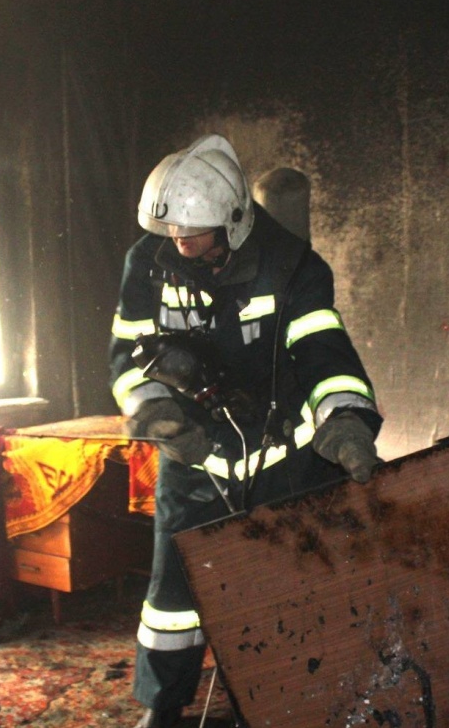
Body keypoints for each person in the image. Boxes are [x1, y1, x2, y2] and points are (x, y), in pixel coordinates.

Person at [109, 134, 382, 728]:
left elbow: (324, 351)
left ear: (233, 221)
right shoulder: (147, 261)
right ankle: (162, 705)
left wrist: (347, 419)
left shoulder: (294, 268)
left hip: (283, 460)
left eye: (193, 232)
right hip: (195, 458)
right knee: (173, 601)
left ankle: (286, 704)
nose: (179, 242)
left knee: (293, 587)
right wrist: (156, 413)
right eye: (169, 230)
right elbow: (128, 356)